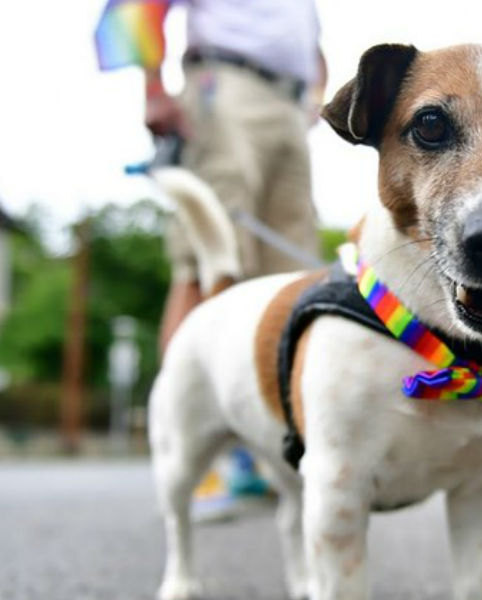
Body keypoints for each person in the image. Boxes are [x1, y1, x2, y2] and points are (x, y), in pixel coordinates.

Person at [95, 0, 327, 519]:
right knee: (209, 261)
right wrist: (154, 89)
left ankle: (266, 455)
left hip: (289, 108)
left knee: (291, 288)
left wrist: (313, 96)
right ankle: (190, 457)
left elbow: (312, 44)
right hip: (221, 86)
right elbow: (138, 7)